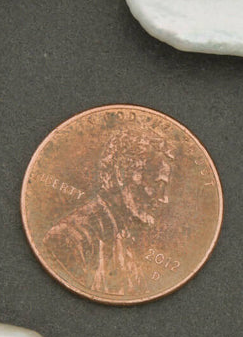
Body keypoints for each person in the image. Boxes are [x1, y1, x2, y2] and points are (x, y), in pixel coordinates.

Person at [42, 125, 175, 296]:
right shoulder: (68, 238)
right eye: (157, 184)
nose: (164, 198)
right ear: (120, 174)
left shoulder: (125, 239)